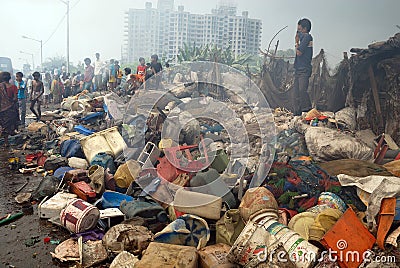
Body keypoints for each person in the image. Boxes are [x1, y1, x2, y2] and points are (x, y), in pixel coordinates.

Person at [293, 18, 313, 115]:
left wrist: (296, 42)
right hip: (298, 69)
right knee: (296, 92)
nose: (297, 33)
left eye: (299, 30)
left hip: (304, 69)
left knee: (302, 90)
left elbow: (299, 52)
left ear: (305, 29)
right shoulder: (304, 38)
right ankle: (298, 112)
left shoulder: (307, 37)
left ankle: (308, 110)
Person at [0, 72, 18, 147]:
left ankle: (6, 140)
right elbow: (15, 99)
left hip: (1, 109)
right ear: (10, 78)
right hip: (11, 109)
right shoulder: (13, 87)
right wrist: (10, 102)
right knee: (8, 124)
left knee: (3, 124)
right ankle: (7, 139)